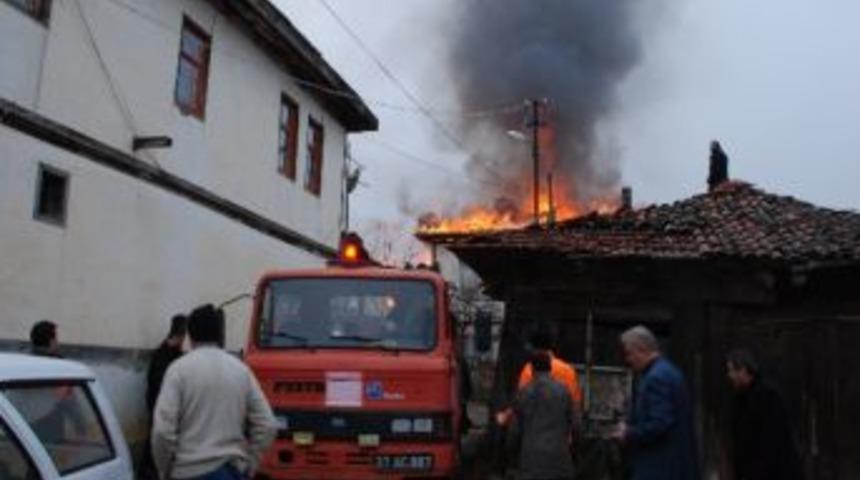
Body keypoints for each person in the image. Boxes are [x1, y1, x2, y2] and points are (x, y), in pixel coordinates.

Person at [151, 304, 277, 480]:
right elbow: (268, 424)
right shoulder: (241, 371)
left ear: (190, 335)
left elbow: (162, 432)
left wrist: (164, 470)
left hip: (188, 471)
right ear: (220, 334)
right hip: (231, 469)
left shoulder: (178, 370)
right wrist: (250, 464)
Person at [611, 326, 698, 480]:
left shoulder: (656, 378)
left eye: (629, 353)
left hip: (659, 467)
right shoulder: (668, 371)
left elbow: (660, 423)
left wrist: (628, 433)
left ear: (641, 349)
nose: (628, 359)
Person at [727, 349, 803, 480]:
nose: (730, 375)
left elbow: (772, 443)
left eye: (732, 370)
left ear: (744, 370)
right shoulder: (741, 398)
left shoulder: (767, 397)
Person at [509, 351, 576, 480]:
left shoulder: (523, 393)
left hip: (531, 461)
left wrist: (512, 458)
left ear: (532, 368)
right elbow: (577, 425)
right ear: (550, 368)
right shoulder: (564, 391)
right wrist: (575, 452)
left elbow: (514, 432)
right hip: (559, 459)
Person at [140, 315, 187, 479]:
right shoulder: (162, 355)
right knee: (153, 449)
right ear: (180, 334)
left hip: (168, 412)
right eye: (183, 335)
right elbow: (157, 385)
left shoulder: (174, 355)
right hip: (159, 410)